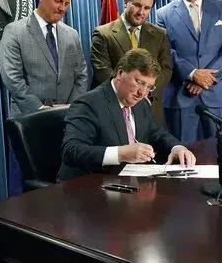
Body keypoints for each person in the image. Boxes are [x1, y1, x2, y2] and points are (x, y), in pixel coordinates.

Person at [57, 49, 196, 181]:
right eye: (139, 82)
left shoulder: (141, 103)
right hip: (85, 187)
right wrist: (121, 153)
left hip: (125, 183)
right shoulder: (88, 104)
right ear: (120, 72)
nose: (142, 93)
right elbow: (71, 150)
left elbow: (156, 133)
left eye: (149, 87)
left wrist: (177, 148)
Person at [156, 0, 222, 143]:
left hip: (218, 92)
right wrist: (193, 74)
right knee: (183, 156)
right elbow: (165, 51)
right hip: (180, 93)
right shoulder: (163, 14)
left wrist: (204, 80)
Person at [0, 0, 88, 115]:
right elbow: (13, 78)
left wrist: (72, 107)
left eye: (66, 3)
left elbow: (82, 75)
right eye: (58, 1)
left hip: (69, 118)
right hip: (29, 120)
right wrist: (40, 110)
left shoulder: (72, 34)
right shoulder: (14, 32)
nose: (62, 8)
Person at [91, 0, 172, 125]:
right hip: (115, 109)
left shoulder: (160, 34)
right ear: (126, 2)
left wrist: (145, 90)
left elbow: (166, 68)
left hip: (150, 108)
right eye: (137, 5)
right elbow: (102, 72)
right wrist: (130, 92)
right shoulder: (103, 34)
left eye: (147, 8)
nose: (141, 12)